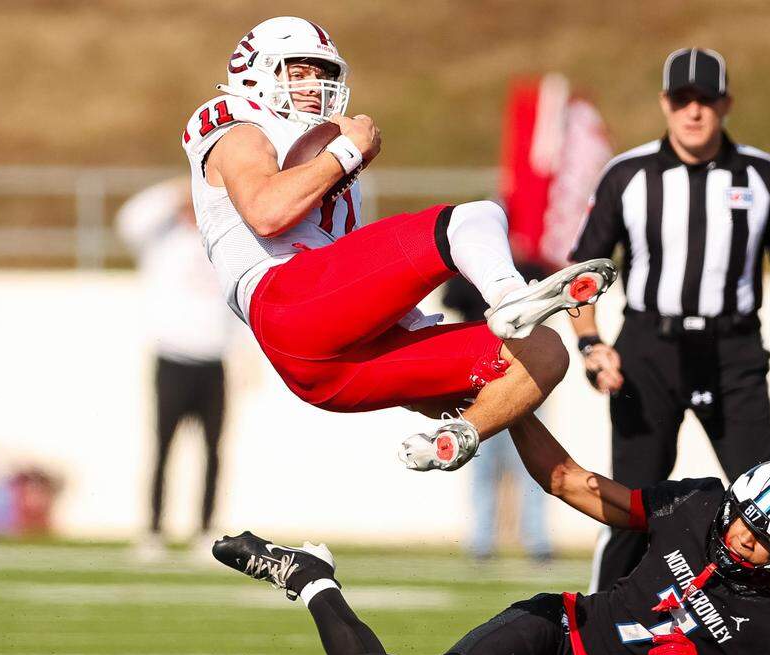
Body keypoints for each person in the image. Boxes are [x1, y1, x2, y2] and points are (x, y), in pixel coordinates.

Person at [190, 415, 770, 655]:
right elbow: (571, 483)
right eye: (736, 520)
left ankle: (312, 581)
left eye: (756, 541)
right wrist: (509, 409)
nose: (734, 537)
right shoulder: (699, 508)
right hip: (559, 630)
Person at [180, 17, 616, 474]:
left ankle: (459, 437)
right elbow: (266, 213)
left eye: (322, 73)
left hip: (330, 364)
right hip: (285, 300)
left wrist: (559, 472)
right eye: (300, 69)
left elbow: (352, 279)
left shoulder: (320, 164)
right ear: (256, 70)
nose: (315, 83)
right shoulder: (241, 125)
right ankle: (509, 295)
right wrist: (348, 152)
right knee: (474, 217)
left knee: (544, 353)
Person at [566, 47, 770, 655]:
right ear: (665, 103)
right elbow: (583, 270)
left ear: (725, 104)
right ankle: (591, 634)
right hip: (647, 350)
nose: (694, 110)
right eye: (682, 98)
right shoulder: (628, 175)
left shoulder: (763, 175)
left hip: (733, 354)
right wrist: (590, 344)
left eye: (707, 99)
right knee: (627, 503)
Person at [115, 179, 236, 560]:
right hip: (172, 360)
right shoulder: (161, 240)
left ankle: (206, 531)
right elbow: (129, 220)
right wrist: (179, 187)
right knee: (163, 448)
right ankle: (152, 530)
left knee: (213, 451)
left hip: (213, 362)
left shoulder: (222, 243)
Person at [443, 265, 552, 561]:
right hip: (481, 377)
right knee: (481, 463)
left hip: (526, 376)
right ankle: (481, 541)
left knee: (536, 465)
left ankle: (537, 540)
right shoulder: (468, 274)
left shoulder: (527, 267)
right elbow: (449, 301)